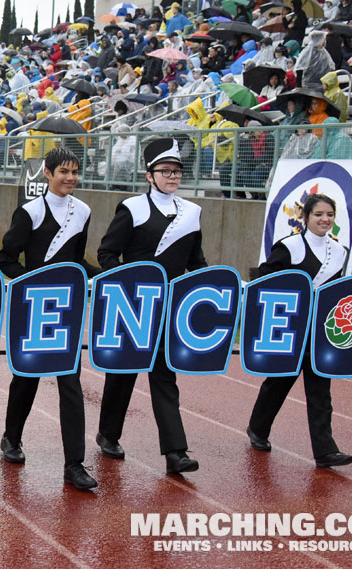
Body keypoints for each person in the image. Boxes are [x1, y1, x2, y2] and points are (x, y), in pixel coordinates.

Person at [96, 138, 207, 474]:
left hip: (170, 307)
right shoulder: (132, 208)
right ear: (150, 175)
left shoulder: (192, 213)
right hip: (133, 305)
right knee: (123, 373)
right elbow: (106, 253)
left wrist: (208, 287)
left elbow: (196, 262)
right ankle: (108, 434)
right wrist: (127, 282)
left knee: (164, 376)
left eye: (177, 171)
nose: (172, 176)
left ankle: (176, 452)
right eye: (165, 171)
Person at [0, 147, 101, 491]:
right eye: (63, 172)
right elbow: (7, 260)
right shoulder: (29, 211)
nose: (70, 178)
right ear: (48, 173)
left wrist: (103, 276)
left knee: (70, 384)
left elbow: (76, 259)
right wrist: (32, 283)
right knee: (25, 379)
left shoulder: (83, 211)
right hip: (32, 307)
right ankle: (12, 438)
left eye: (75, 172)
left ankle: (74, 464)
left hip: (67, 309)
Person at [247, 193, 352, 469]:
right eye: (318, 214)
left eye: (329, 214)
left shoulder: (339, 251)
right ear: (305, 217)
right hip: (291, 328)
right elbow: (265, 279)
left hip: (319, 330)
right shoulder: (291, 246)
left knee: (320, 391)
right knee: (279, 383)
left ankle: (325, 450)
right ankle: (258, 429)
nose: (325, 219)